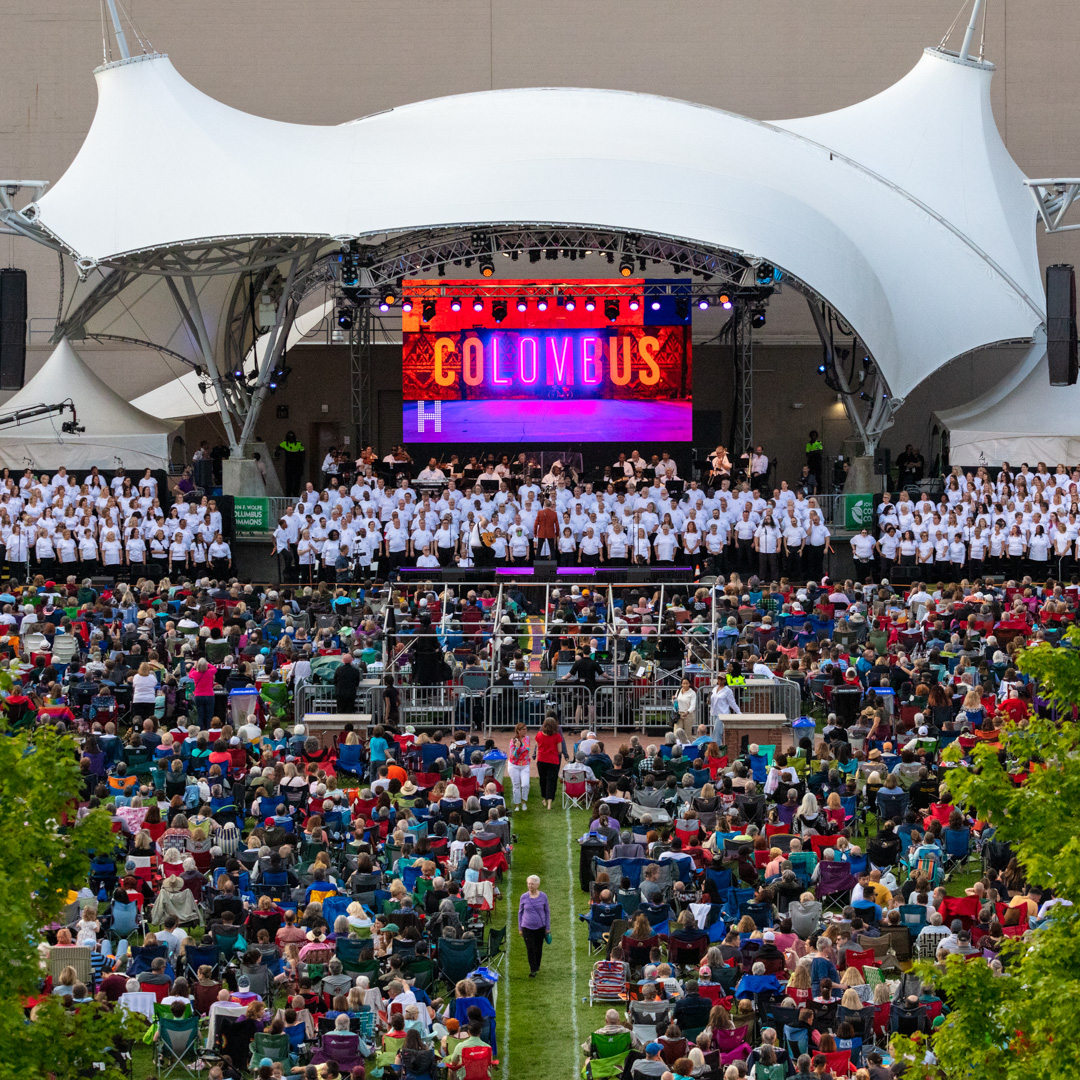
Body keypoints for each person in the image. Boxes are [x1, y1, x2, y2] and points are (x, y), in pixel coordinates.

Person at [518, 874, 550, 976]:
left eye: (532, 884)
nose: (530, 886)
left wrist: (547, 927)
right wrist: (520, 928)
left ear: (537, 884)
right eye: (528, 884)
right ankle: (533, 969)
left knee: (538, 947)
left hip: (540, 927)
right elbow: (520, 913)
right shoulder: (523, 897)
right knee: (530, 948)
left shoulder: (543, 896)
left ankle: (537, 965)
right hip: (526, 927)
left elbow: (547, 912)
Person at [533, 716, 566, 810]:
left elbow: (537, 748)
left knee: (543, 780)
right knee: (551, 781)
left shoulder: (539, 735)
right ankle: (549, 802)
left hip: (541, 760)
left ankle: (544, 797)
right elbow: (560, 750)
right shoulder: (557, 736)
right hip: (553, 760)